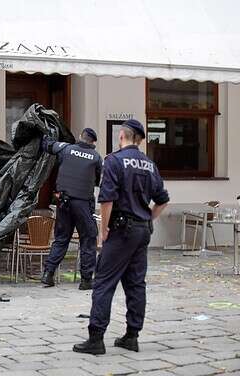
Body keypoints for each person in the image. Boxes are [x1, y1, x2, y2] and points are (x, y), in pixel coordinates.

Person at [73, 119, 169, 355]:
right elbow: (163, 200)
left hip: (121, 230)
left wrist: (103, 231)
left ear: (122, 136)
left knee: (103, 283)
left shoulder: (114, 161)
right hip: (142, 230)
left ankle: (96, 339)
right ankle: (131, 336)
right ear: (139, 139)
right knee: (136, 284)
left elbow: (107, 199)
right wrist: (147, 219)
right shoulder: (149, 164)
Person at [41, 128, 102, 290]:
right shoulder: (96, 157)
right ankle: (86, 280)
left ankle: (48, 274)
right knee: (88, 239)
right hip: (83, 203)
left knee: (61, 239)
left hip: (64, 201)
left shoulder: (66, 148)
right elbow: (97, 180)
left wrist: (46, 134)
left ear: (81, 137)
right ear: (93, 142)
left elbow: (47, 145)